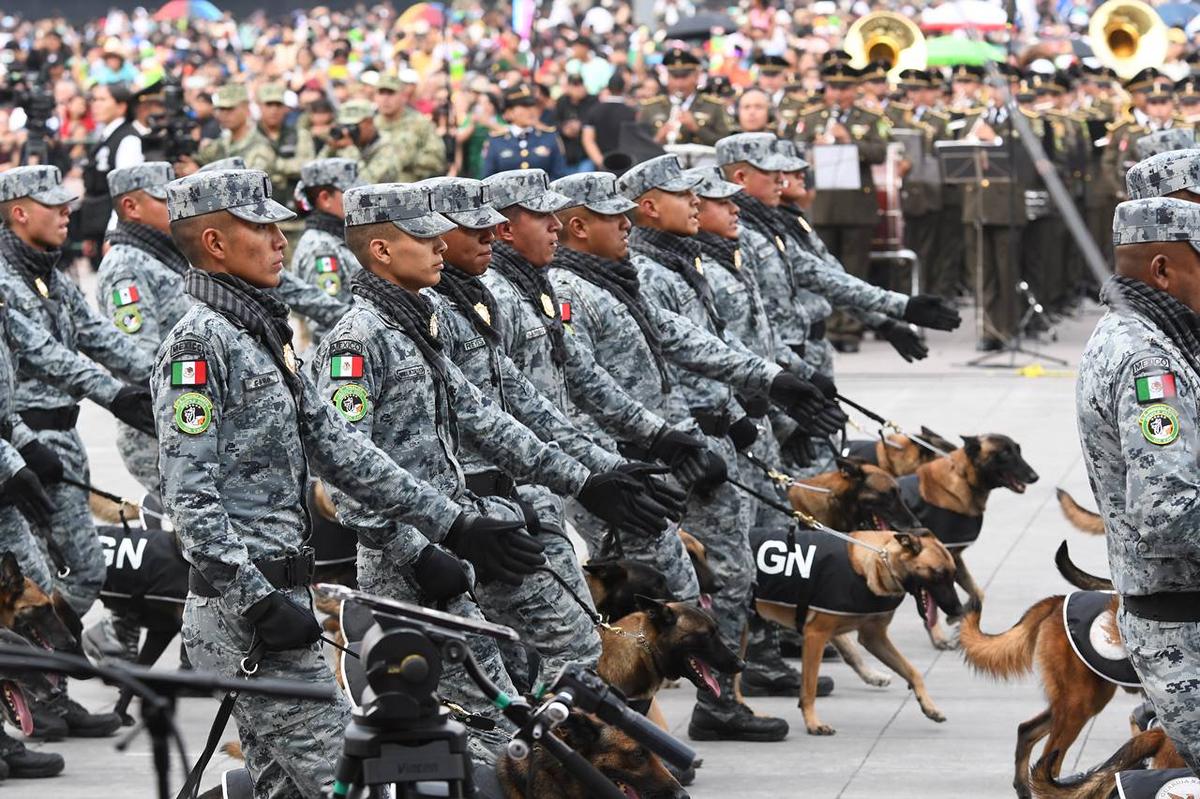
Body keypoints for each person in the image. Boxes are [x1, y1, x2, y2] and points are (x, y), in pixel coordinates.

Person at [156, 168, 523, 796]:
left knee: (289, 791)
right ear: (215, 243)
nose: (281, 240)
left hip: (278, 605)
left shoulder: (255, 335)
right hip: (249, 616)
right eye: (263, 226)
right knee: (347, 782)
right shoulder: (199, 348)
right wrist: (258, 600)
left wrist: (453, 522)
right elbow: (190, 499)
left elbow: (345, 452)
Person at [619, 153, 841, 742]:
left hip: (715, 433)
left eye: (704, 196)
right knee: (692, 586)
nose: (699, 204)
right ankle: (698, 706)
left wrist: (767, 390)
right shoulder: (647, 271)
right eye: (687, 195)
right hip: (673, 450)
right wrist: (694, 431)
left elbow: (711, 344)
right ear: (648, 205)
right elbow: (641, 375)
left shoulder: (685, 261)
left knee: (738, 568)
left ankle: (725, 691)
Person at [0, 165, 154, 738]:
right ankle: (41, 692)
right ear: (19, 211)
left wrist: (164, 378)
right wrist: (115, 394)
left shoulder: (47, 273)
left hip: (53, 440)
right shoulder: (6, 278)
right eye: (53, 205)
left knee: (76, 570)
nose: (68, 212)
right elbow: (43, 353)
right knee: (34, 580)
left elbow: (96, 337)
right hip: (24, 442)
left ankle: (43, 685)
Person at [1076, 196, 1200, 773]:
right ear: (1161, 269)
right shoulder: (1150, 362)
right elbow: (1168, 513)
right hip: (1182, 621)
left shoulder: (1150, 334)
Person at [96, 161, 190, 493]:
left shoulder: (163, 255)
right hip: (158, 430)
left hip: (187, 417)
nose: (174, 206)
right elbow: (140, 357)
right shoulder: (126, 266)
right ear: (130, 206)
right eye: (163, 199)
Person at [794, 62, 889, 352]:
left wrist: (850, 142)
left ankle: (850, 330)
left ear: (855, 89)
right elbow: (794, 150)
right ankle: (829, 325)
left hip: (856, 204)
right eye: (833, 87)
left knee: (853, 271)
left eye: (845, 87)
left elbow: (880, 152)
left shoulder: (870, 118)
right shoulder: (811, 117)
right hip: (822, 202)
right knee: (824, 270)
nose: (838, 93)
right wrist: (812, 147)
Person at [78, 81, 142, 259]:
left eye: (102, 99)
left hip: (112, 227)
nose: (95, 104)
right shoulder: (106, 135)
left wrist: (114, 231)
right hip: (98, 224)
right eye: (94, 99)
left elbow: (125, 191)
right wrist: (89, 233)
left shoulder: (128, 139)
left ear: (121, 106)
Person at [289, 158, 361, 312]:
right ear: (325, 199)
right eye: (350, 194)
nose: (359, 199)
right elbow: (327, 320)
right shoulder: (320, 248)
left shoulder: (338, 236)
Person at [637, 47, 733, 147]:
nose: (679, 83)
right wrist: (657, 139)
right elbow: (639, 146)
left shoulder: (714, 106)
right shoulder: (650, 107)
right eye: (675, 77)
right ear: (668, 78)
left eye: (684, 77)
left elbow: (725, 144)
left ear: (696, 76)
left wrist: (697, 129)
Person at [316, 98, 413, 184]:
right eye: (344, 125)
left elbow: (365, 183)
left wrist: (350, 149)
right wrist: (331, 148)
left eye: (352, 126)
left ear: (369, 122)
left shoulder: (389, 146)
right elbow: (316, 173)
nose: (347, 131)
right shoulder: (345, 143)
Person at [480, 85, 567, 178]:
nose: (531, 111)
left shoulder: (549, 136)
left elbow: (559, 175)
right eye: (524, 106)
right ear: (509, 112)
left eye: (533, 106)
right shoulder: (496, 141)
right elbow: (488, 178)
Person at [372, 72, 446, 180]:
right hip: (373, 189)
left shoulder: (420, 123)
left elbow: (436, 159)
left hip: (409, 189)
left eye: (391, 93)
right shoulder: (370, 125)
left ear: (403, 96)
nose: (385, 99)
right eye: (381, 93)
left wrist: (409, 160)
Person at [191, 84, 276, 175]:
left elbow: (251, 185)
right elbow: (200, 158)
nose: (223, 114)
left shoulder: (260, 148)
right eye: (221, 109)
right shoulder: (222, 142)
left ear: (246, 108)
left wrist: (198, 174)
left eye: (229, 109)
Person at [256, 83, 315, 206]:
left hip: (293, 208)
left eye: (278, 105)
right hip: (259, 209)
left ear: (285, 108)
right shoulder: (250, 137)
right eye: (269, 105)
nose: (274, 110)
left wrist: (275, 164)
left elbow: (308, 167)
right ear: (260, 107)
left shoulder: (300, 135)